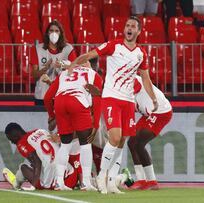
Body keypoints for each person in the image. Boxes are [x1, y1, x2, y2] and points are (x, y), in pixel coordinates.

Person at [70, 16, 158, 194]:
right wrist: (73, 64)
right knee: (115, 137)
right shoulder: (114, 45)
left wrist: (153, 99)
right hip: (111, 97)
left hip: (128, 100)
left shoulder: (141, 53)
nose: (129, 28)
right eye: (127, 25)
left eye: (133, 26)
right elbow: (90, 55)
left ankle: (111, 181)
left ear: (139, 31)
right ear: (124, 29)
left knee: (122, 141)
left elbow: (146, 77)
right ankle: (102, 176)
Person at [44, 61, 103, 191]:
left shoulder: (65, 73)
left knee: (65, 145)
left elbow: (47, 98)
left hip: (60, 102)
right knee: (85, 144)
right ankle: (86, 182)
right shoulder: (94, 75)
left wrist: (51, 115)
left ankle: (59, 182)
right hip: (77, 101)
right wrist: (96, 123)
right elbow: (97, 100)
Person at [2, 123, 82, 190]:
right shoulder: (40, 131)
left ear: (15, 136)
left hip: (55, 185)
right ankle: (82, 181)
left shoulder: (21, 144)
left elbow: (37, 162)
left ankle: (16, 182)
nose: (12, 142)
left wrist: (33, 185)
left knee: (23, 167)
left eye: (11, 139)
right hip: (72, 176)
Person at [127, 76, 172, 190]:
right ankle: (141, 180)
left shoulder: (143, 95)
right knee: (131, 142)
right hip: (149, 112)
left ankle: (152, 181)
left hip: (160, 112)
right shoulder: (131, 81)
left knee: (139, 143)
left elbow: (145, 110)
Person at [31, 20, 77, 105]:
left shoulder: (68, 49)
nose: (54, 33)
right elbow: (34, 74)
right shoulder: (37, 49)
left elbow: (75, 69)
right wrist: (45, 68)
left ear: (61, 33)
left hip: (62, 94)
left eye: (56, 31)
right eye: (51, 30)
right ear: (47, 33)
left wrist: (63, 65)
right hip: (42, 95)